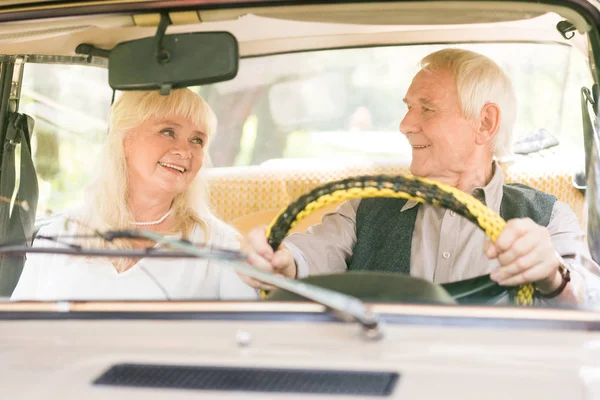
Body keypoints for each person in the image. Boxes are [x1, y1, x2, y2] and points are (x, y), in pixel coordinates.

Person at [245, 48, 600, 305]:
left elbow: (587, 303)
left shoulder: (548, 217)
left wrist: (553, 274)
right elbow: (309, 255)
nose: (404, 125)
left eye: (427, 109)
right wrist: (278, 261)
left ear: (485, 123)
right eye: (407, 107)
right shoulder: (366, 208)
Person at [11, 88, 257, 301]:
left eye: (197, 140)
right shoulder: (59, 233)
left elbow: (250, 341)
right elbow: (15, 335)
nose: (185, 151)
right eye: (168, 132)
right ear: (126, 140)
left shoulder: (220, 246)